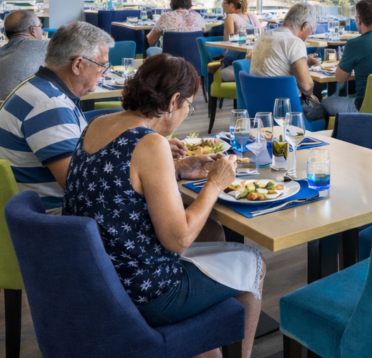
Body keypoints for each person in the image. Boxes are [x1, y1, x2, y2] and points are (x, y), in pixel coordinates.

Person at [62, 54, 263, 354]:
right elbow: (178, 239)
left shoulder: (97, 125)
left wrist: (180, 168)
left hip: (94, 275)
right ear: (173, 102)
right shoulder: (150, 143)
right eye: (188, 105)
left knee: (212, 234)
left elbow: (121, 182)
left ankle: (201, 339)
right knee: (253, 261)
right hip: (141, 292)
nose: (185, 113)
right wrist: (215, 183)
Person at [0, 21, 114, 212]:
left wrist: (133, 148)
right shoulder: (49, 105)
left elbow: (79, 157)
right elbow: (80, 188)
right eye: (102, 65)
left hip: (25, 210)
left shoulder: (39, 88)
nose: (105, 72)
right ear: (78, 64)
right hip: (45, 218)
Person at [248, 3, 324, 122]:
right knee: (322, 110)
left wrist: (305, 62)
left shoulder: (263, 36)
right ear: (305, 26)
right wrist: (309, 94)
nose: (309, 36)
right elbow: (306, 85)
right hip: (286, 110)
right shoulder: (295, 42)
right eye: (311, 31)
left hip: (258, 105)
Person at [0, 10, 48, 126]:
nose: (42, 30)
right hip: (24, 128)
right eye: (40, 26)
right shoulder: (40, 45)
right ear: (33, 30)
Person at [218, 0, 263, 82]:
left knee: (215, 68)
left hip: (236, 55)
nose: (222, 6)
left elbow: (228, 40)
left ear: (231, 5)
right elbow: (259, 35)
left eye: (223, 3)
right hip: (254, 55)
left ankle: (212, 93)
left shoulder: (230, 17)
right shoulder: (252, 16)